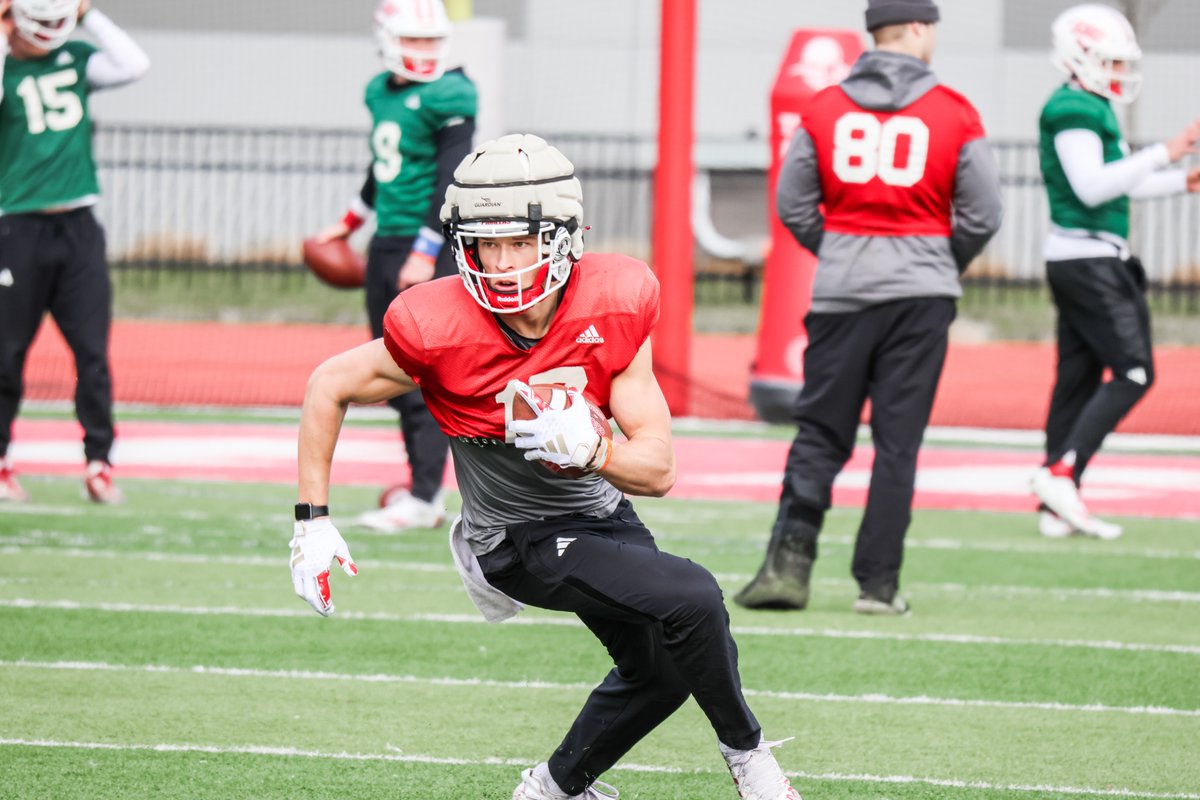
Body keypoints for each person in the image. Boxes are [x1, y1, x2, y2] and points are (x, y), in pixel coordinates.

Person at [289, 134, 803, 800]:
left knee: (666, 667)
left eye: (518, 242)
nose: (501, 264)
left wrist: (597, 451)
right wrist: (312, 521)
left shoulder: (613, 304)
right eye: (485, 245)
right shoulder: (436, 326)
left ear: (563, 237)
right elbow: (328, 382)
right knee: (696, 595)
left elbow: (659, 469)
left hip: (599, 512)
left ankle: (552, 789)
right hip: (514, 537)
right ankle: (750, 760)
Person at [734, 0, 1002, 616]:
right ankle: (877, 586)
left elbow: (793, 203)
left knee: (821, 431)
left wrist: (840, 252)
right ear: (916, 29)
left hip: (843, 293)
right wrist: (936, 259)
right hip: (921, 296)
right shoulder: (954, 111)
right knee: (898, 441)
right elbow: (985, 212)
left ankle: (787, 566)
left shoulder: (825, 108)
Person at [1030, 3, 1200, 540]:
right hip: (1087, 259)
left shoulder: (1089, 104)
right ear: (1080, 57)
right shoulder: (1073, 108)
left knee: (1076, 380)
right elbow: (1091, 186)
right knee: (1134, 371)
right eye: (1111, 60)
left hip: (1082, 255)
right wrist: (1161, 153)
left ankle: (1057, 503)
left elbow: (1114, 183)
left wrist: (1180, 180)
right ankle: (1061, 474)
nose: (1120, 71)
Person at [313, 0, 476, 533]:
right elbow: (382, 167)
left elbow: (450, 178)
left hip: (424, 243)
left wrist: (426, 250)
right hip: (388, 241)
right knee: (391, 373)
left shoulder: (453, 92)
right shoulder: (381, 90)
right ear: (387, 40)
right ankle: (419, 489)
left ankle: (426, 494)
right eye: (414, 41)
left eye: (431, 41)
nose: (424, 52)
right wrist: (348, 221)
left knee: (420, 376)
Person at [0, 0, 149, 504]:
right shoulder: (8, 64)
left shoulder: (76, 57)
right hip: (16, 226)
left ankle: (98, 462)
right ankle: (0, 462)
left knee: (91, 352)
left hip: (79, 225)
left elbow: (134, 64)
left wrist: (88, 14)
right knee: (6, 354)